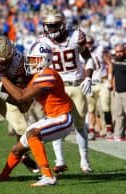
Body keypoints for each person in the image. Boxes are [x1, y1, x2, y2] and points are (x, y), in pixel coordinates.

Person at [0, 42, 73, 187]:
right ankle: (3, 176)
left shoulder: (48, 74)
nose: (30, 62)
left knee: (32, 134)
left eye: (34, 59)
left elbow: (21, 97)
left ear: (44, 59)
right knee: (18, 148)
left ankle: (48, 176)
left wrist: (2, 77)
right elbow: (23, 106)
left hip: (62, 118)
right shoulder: (36, 77)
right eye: (30, 58)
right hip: (51, 118)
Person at [38, 8, 94, 174]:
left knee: (79, 124)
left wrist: (88, 77)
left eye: (54, 26)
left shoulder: (76, 36)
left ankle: (84, 161)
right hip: (57, 87)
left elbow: (88, 58)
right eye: (48, 26)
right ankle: (60, 160)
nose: (51, 29)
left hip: (76, 84)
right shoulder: (43, 40)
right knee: (55, 123)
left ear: (62, 25)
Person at [0, 36, 39, 173]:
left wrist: (2, 93)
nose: (0, 66)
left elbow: (21, 100)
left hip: (4, 95)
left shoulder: (18, 63)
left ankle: (24, 155)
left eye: (4, 62)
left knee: (23, 128)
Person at [85, 35, 114, 140]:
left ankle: (109, 131)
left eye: (90, 42)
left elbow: (109, 64)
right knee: (90, 109)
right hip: (91, 83)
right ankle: (92, 131)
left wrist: (110, 80)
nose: (88, 45)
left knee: (106, 106)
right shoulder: (80, 53)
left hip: (102, 82)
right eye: (86, 43)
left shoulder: (100, 49)